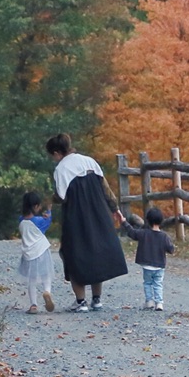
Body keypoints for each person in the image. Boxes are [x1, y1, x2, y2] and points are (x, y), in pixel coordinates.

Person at [48, 132, 128, 311]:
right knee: (96, 252)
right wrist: (115, 209)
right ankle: (97, 300)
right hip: (98, 212)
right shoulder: (89, 161)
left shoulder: (61, 169)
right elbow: (105, 189)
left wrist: (50, 200)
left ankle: (80, 301)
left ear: (56, 153)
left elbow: (62, 196)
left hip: (76, 216)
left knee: (74, 254)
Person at [119, 207, 176, 310]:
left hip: (147, 266)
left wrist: (124, 222)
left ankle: (149, 301)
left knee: (148, 283)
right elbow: (171, 250)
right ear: (161, 220)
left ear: (148, 221)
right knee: (158, 284)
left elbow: (132, 232)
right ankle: (159, 303)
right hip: (159, 266)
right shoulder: (164, 236)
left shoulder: (143, 233)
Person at [17, 190, 56, 313]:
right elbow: (48, 222)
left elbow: (27, 220)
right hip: (42, 251)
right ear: (35, 206)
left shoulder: (20, 220)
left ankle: (33, 305)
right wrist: (49, 212)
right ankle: (47, 291)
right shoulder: (39, 221)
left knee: (31, 280)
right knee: (46, 274)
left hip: (28, 255)